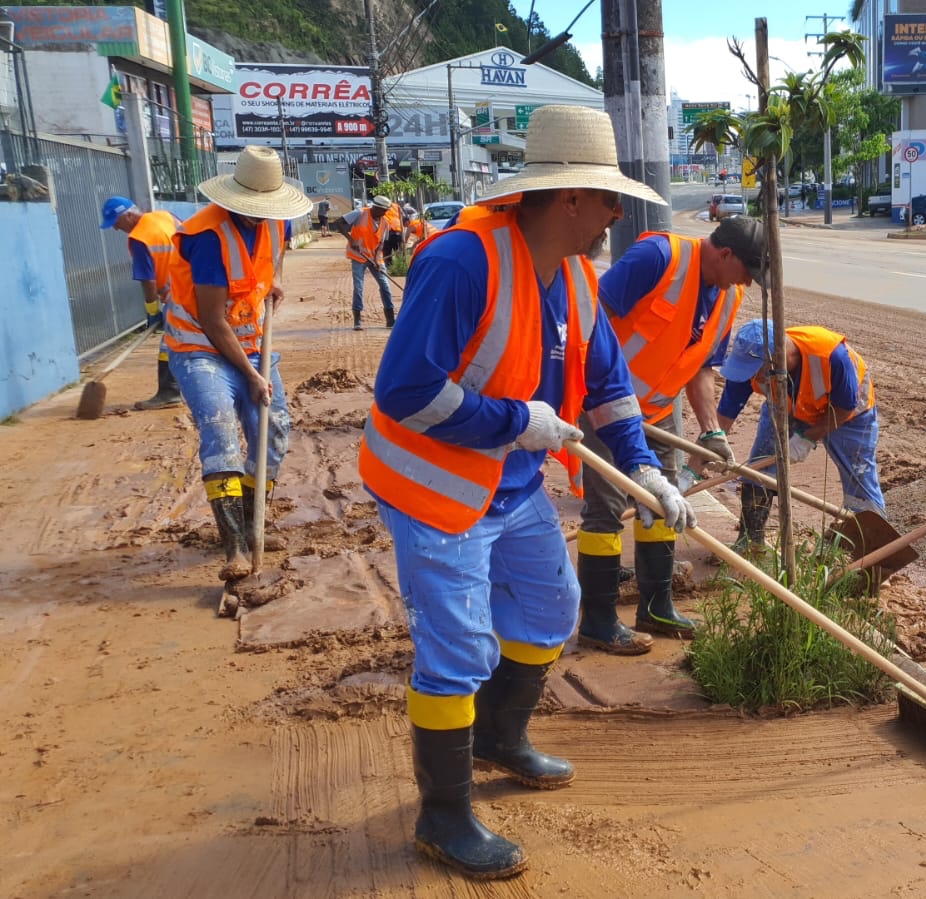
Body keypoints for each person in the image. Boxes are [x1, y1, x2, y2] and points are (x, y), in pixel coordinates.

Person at [358, 104, 693, 880]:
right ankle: (442, 815)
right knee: (457, 651)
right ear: (571, 198)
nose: (619, 212)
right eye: (610, 198)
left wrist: (642, 465)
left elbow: (608, 386)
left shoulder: (575, 274)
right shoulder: (459, 261)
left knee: (550, 613)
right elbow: (405, 389)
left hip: (510, 486)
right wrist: (516, 420)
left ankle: (498, 738)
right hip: (433, 486)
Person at [575, 216, 766, 654]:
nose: (749, 285)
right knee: (606, 509)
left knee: (664, 504)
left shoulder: (727, 296)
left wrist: (711, 429)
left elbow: (701, 367)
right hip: (604, 405)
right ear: (725, 254)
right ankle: (599, 621)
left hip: (660, 409)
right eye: (747, 273)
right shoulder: (659, 258)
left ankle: (656, 606)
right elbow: (589, 321)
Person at [163, 146, 309, 583]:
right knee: (221, 429)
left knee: (274, 427)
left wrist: (275, 282)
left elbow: (272, 258)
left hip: (250, 341)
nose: (258, 218)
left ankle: (253, 522)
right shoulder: (206, 237)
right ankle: (236, 546)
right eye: (251, 211)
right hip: (200, 347)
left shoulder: (276, 222)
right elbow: (211, 320)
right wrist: (251, 376)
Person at [716, 319, 884, 552]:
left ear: (778, 357)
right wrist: (714, 442)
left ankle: (872, 554)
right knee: (758, 467)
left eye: (757, 371)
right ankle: (751, 542)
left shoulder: (831, 356)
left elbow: (844, 408)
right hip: (787, 406)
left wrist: (807, 438)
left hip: (850, 414)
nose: (754, 377)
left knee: (859, 478)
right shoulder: (751, 363)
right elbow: (727, 409)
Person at [101, 196, 184, 410]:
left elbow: (148, 281)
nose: (117, 230)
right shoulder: (165, 217)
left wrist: (152, 310)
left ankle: (170, 392)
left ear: (128, 215)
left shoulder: (140, 238)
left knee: (169, 344)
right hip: (198, 286)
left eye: (117, 224)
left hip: (178, 296)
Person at [334, 193, 397, 330]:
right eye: (383, 210)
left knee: (385, 285)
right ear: (376, 207)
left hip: (375, 257)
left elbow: (381, 244)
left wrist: (376, 260)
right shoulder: (359, 213)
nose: (385, 213)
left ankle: (390, 319)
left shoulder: (385, 222)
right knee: (359, 287)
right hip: (358, 256)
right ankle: (357, 320)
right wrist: (351, 240)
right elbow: (338, 223)